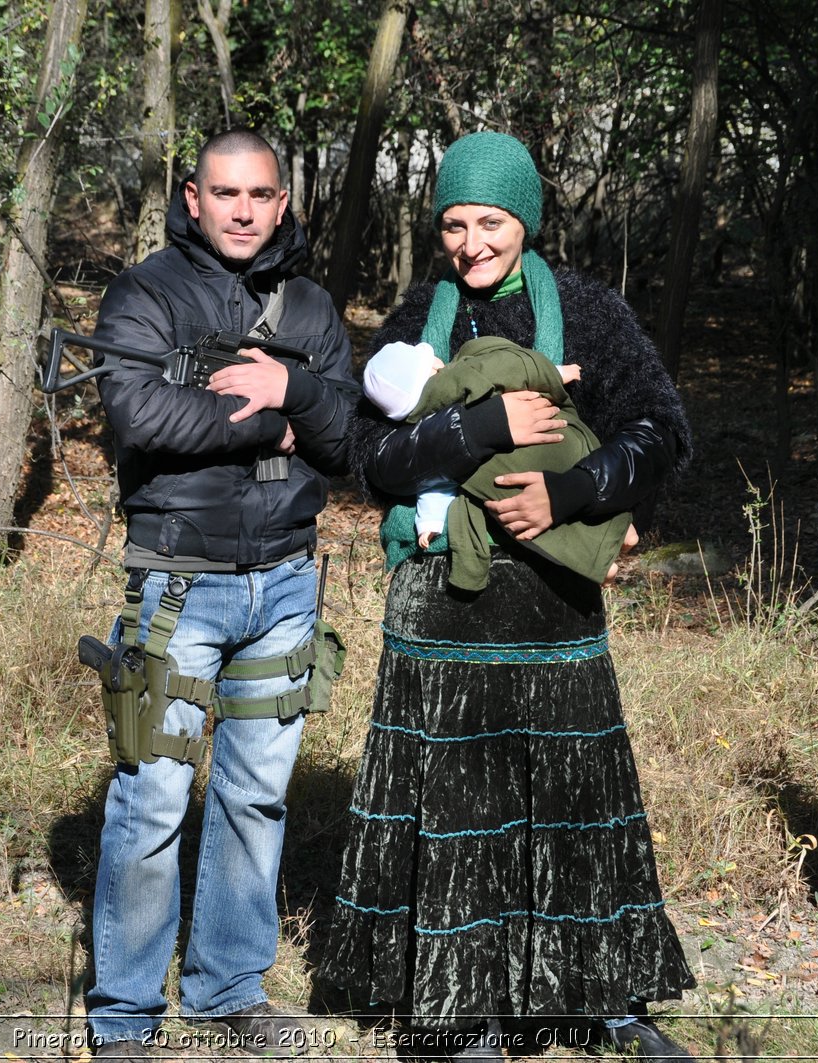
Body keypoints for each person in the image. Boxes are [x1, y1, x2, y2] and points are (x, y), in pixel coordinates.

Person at [319, 131, 698, 1060]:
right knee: (458, 810)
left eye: (490, 221)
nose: (472, 242)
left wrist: (571, 492)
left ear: (524, 220)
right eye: (453, 222)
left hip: (555, 607)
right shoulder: (418, 315)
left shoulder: (590, 313)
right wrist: (476, 425)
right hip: (441, 608)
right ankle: (460, 1015)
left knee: (574, 800)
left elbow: (665, 428)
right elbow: (370, 459)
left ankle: (603, 1000)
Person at [85, 129, 356, 1059]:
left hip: (287, 583)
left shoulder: (312, 306)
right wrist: (280, 411)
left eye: (260, 194)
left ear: (284, 203)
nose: (243, 209)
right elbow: (139, 413)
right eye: (224, 192)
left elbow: (349, 437)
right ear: (192, 197)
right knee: (153, 796)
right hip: (178, 583)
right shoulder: (146, 292)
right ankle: (123, 1015)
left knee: (255, 796)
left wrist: (299, 395)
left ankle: (227, 989)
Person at [360, 337, 636, 587]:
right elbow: (505, 368)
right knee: (560, 472)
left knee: (532, 523)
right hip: (547, 445)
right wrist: (554, 373)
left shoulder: (420, 420)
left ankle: (600, 563)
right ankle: (622, 534)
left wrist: (429, 520)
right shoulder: (455, 376)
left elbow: (435, 484)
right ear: (431, 368)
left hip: (496, 481)